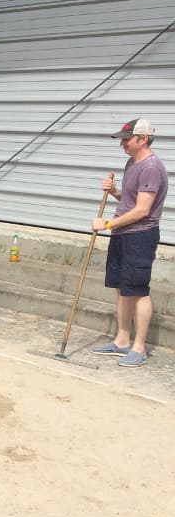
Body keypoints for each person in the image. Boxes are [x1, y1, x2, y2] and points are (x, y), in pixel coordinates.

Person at [91, 118, 168, 367]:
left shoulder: (151, 167)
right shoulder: (132, 162)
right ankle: (122, 340)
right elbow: (131, 201)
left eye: (127, 139)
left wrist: (108, 224)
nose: (122, 143)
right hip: (123, 234)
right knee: (121, 287)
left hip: (140, 236)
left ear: (143, 139)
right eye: (122, 139)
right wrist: (114, 192)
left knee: (137, 290)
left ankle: (139, 347)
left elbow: (143, 210)